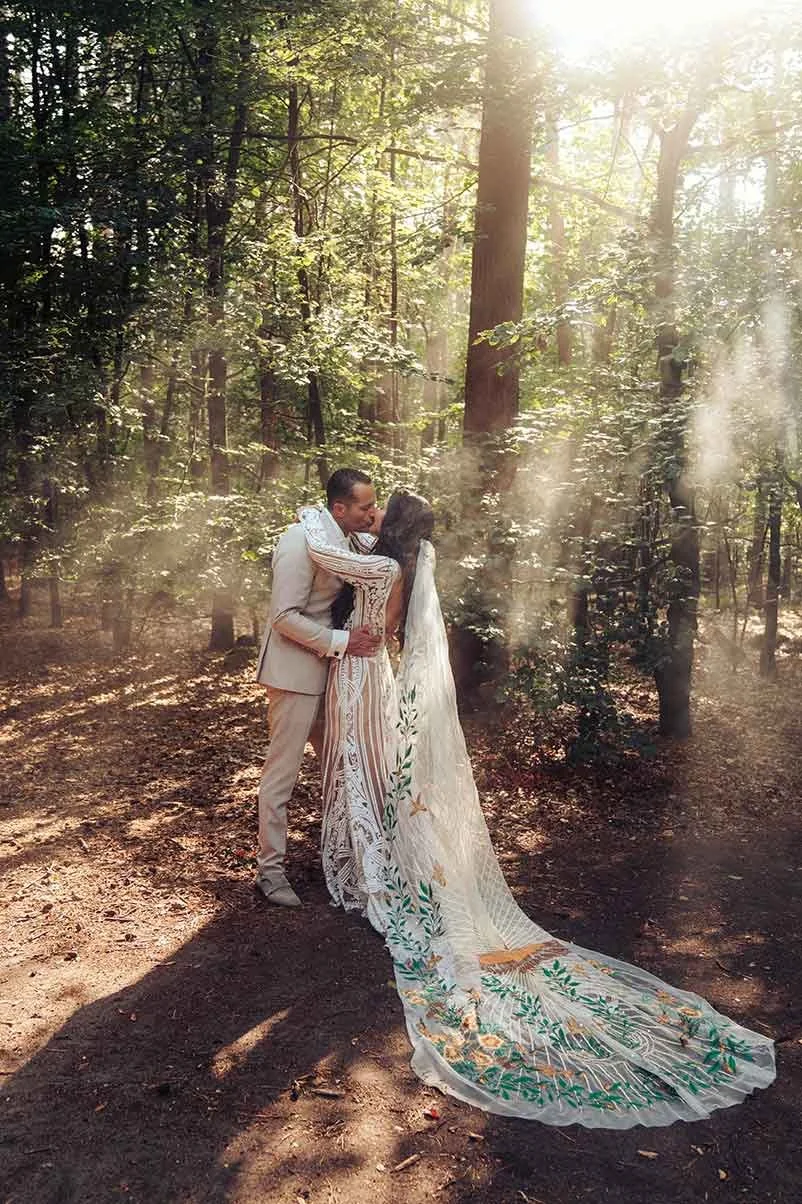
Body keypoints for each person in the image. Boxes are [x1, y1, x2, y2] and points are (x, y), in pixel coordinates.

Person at [296, 494, 776, 1128]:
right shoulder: (412, 561)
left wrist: (310, 514)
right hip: (379, 671)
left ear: (397, 528)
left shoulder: (383, 570)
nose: (373, 519)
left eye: (382, 512)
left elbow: (329, 553)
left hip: (367, 675)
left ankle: (383, 874)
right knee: (386, 783)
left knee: (375, 781)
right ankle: (381, 860)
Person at [253, 468, 381, 908]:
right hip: (293, 675)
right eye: (366, 506)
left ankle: (339, 862)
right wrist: (344, 643)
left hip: (332, 676)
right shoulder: (298, 540)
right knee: (282, 777)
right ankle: (269, 873)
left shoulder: (345, 540)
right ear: (340, 508)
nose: (373, 513)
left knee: (339, 771)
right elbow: (284, 616)